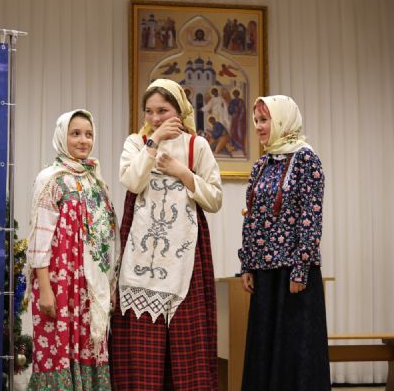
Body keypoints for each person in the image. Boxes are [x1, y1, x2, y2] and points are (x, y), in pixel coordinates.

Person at [111, 79, 222, 390]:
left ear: (179, 110)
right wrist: (155, 140)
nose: (155, 117)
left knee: (186, 341)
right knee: (142, 343)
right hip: (141, 256)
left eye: (163, 110)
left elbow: (214, 199)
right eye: (149, 111)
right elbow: (133, 182)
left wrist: (182, 172)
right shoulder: (135, 143)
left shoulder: (197, 146)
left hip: (184, 257)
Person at [238, 95, 330, 390]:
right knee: (263, 349)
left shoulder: (306, 160)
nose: (258, 126)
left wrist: (301, 268)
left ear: (282, 121)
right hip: (264, 273)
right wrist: (247, 265)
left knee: (295, 352)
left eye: (264, 120)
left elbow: (311, 216)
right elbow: (252, 216)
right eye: (256, 120)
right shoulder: (262, 164)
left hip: (294, 275)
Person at [26, 109, 117, 390]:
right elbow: (40, 238)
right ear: (61, 136)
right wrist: (45, 289)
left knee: (90, 347)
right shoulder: (51, 179)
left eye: (88, 134)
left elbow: (106, 238)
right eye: (75, 133)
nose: (83, 140)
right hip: (60, 282)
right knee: (58, 349)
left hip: (89, 287)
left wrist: (108, 285)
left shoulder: (95, 182)